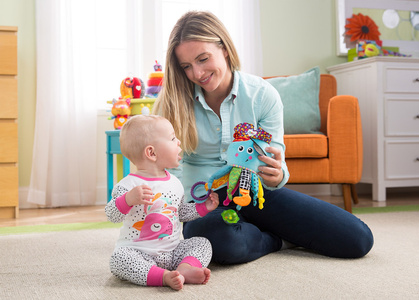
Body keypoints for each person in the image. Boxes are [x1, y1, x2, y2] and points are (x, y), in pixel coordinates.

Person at [153, 11, 373, 265]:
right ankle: (278, 240)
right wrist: (175, 212)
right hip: (204, 201)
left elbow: (275, 159)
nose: (197, 73)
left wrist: (278, 175)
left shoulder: (262, 95)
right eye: (186, 66)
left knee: (358, 239)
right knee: (220, 240)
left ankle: (253, 226)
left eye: (203, 59)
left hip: (255, 192)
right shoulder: (171, 104)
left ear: (224, 48)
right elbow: (169, 171)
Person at [105, 115, 219, 290]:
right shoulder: (128, 185)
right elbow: (112, 215)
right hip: (139, 253)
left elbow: (180, 213)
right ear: (151, 153)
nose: (179, 142)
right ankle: (163, 277)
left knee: (203, 243)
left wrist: (203, 208)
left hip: (173, 252)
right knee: (119, 260)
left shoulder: (174, 182)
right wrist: (128, 199)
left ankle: (184, 269)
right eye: (173, 138)